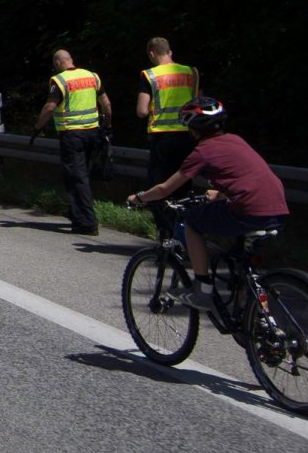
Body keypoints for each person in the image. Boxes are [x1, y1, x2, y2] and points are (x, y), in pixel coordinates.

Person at [126, 97, 288, 310]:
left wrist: (138, 198)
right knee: (243, 264)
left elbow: (165, 189)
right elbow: (246, 176)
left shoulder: (202, 151)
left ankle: (202, 288)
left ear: (193, 129)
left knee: (193, 222)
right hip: (277, 208)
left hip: (247, 209)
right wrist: (221, 193)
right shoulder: (236, 140)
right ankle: (254, 316)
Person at [34, 48, 112, 236]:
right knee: (82, 175)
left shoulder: (59, 80)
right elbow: (106, 104)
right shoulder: (92, 76)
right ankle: (76, 213)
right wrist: (107, 125)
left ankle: (86, 222)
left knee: (77, 177)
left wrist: (38, 127)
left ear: (58, 63)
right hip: (93, 132)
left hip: (72, 135)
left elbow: (50, 106)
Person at [136, 37, 200, 238]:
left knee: (160, 189)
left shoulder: (149, 75)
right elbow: (199, 103)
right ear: (169, 52)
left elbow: (142, 111)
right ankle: (186, 237)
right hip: (189, 137)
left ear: (152, 54)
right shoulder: (191, 73)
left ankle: (166, 238)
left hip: (162, 139)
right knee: (183, 190)